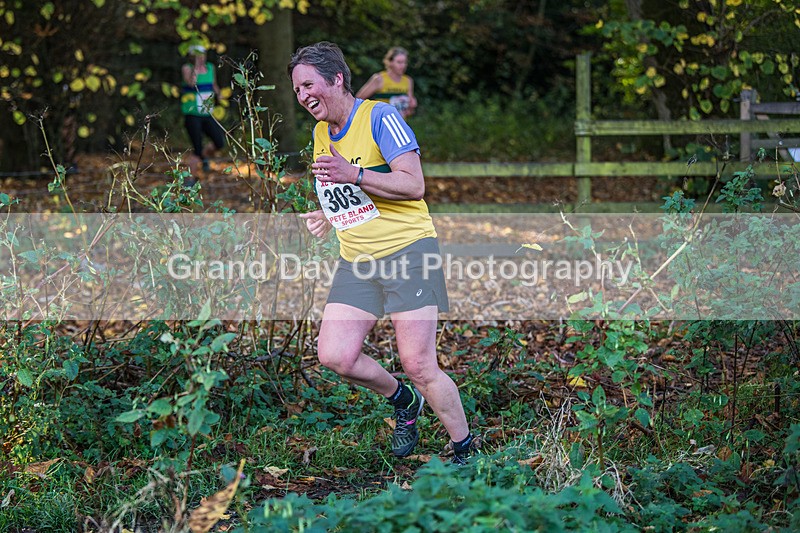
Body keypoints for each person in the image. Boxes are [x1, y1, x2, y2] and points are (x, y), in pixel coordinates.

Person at [288, 41, 476, 464]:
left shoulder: (380, 116)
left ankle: (464, 448)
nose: (302, 96)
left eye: (308, 85)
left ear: (336, 79)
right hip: (358, 259)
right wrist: (326, 213)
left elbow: (413, 185)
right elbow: (348, 192)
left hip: (408, 251)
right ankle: (403, 399)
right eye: (297, 90)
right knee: (335, 355)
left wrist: (353, 173)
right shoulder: (320, 133)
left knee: (419, 363)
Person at [180, 44, 225, 179]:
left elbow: (214, 85)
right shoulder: (187, 68)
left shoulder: (210, 67)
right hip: (193, 114)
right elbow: (191, 83)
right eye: (198, 56)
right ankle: (192, 179)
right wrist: (196, 67)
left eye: (203, 55)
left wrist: (220, 95)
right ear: (192, 57)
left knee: (219, 142)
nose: (201, 58)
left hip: (207, 112)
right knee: (196, 147)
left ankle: (204, 156)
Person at [356, 46, 417, 119]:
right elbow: (358, 99)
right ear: (390, 62)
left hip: (399, 124)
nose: (403, 66)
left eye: (405, 62)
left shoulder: (408, 80)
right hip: (381, 124)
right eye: (399, 62)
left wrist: (412, 107)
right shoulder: (379, 79)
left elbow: (409, 111)